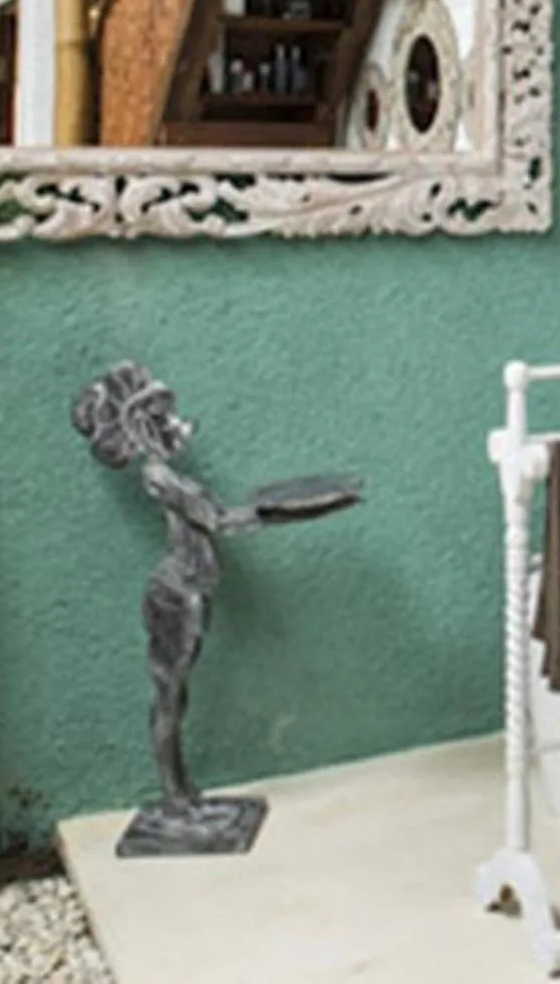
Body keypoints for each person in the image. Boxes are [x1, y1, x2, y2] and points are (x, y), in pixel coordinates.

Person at [72, 361, 362, 856]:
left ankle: (182, 795)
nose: (178, 427)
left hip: (191, 590)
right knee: (171, 695)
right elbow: (221, 520)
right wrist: (292, 505)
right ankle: (176, 801)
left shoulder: (170, 475)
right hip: (175, 594)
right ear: (143, 428)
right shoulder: (163, 478)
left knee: (175, 696)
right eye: (164, 421)